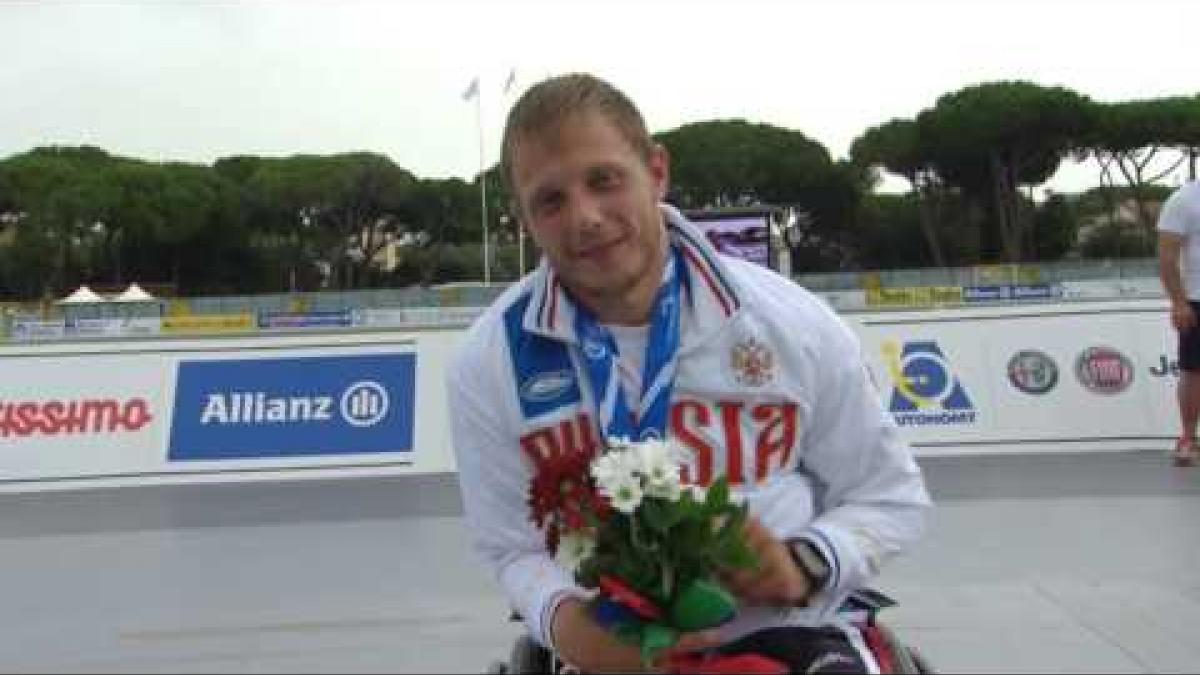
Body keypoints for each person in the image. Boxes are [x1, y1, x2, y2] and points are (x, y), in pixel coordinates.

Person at [447, 73, 931, 673]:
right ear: (525, 219)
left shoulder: (791, 322)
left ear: (656, 172)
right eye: (551, 200)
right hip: (610, 648)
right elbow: (511, 547)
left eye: (604, 180)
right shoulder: (487, 360)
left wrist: (802, 562)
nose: (586, 217)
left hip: (794, 629)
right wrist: (568, 627)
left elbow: (888, 495)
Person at [1157, 180, 1200, 467]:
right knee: (1194, 371)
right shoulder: (1183, 199)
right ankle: (1188, 438)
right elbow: (1167, 258)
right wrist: (1179, 302)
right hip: (1197, 300)